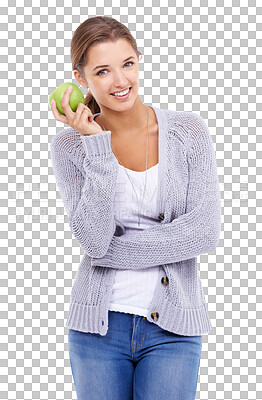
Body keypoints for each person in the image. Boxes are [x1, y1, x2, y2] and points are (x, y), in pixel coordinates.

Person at [50, 16, 221, 400]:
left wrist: (114, 251)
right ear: (81, 79)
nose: (120, 81)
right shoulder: (70, 148)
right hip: (98, 329)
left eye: (127, 64)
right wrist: (95, 145)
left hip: (174, 329)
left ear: (139, 61)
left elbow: (205, 231)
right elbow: (93, 239)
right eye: (103, 71)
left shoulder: (187, 132)